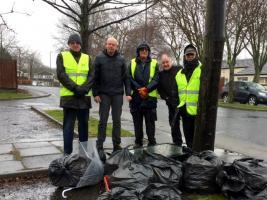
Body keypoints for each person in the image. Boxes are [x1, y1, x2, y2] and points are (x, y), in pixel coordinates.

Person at [56, 33, 94, 155]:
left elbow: (92, 76)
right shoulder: (62, 56)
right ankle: (67, 154)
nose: (75, 45)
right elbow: (61, 75)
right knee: (68, 127)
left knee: (84, 127)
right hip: (69, 98)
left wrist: (83, 89)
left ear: (80, 45)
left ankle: (83, 153)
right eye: (72, 43)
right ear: (69, 44)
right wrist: (75, 88)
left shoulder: (87, 58)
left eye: (77, 43)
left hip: (84, 98)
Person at [93, 37, 131, 154]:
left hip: (117, 95)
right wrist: (95, 93)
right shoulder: (99, 58)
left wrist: (128, 93)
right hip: (104, 95)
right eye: (109, 44)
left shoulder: (121, 59)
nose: (111, 46)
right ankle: (100, 144)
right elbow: (95, 77)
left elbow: (126, 78)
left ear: (116, 46)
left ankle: (116, 144)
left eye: (113, 45)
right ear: (106, 45)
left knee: (117, 121)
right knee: (103, 121)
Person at [128, 42, 159, 148]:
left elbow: (156, 79)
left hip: (149, 98)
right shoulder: (132, 63)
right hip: (136, 98)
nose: (144, 52)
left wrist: (147, 89)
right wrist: (138, 89)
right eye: (141, 50)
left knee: (150, 123)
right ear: (138, 52)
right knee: (137, 123)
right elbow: (129, 78)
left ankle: (152, 143)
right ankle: (138, 142)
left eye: (146, 50)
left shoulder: (154, 63)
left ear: (148, 52)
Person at [175, 44, 202, 148]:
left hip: (198, 112)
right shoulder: (179, 74)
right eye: (188, 55)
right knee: (188, 138)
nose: (190, 56)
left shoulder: (202, 70)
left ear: (196, 55)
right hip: (185, 112)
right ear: (185, 57)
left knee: (198, 139)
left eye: (192, 54)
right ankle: (191, 156)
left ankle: (197, 158)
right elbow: (176, 92)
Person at [158, 53, 183, 146]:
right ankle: (177, 143)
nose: (165, 64)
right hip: (170, 103)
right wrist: (166, 98)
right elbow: (160, 89)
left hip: (182, 101)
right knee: (173, 124)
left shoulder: (179, 69)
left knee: (188, 124)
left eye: (167, 62)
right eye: (163, 63)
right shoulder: (160, 74)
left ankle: (191, 144)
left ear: (171, 61)